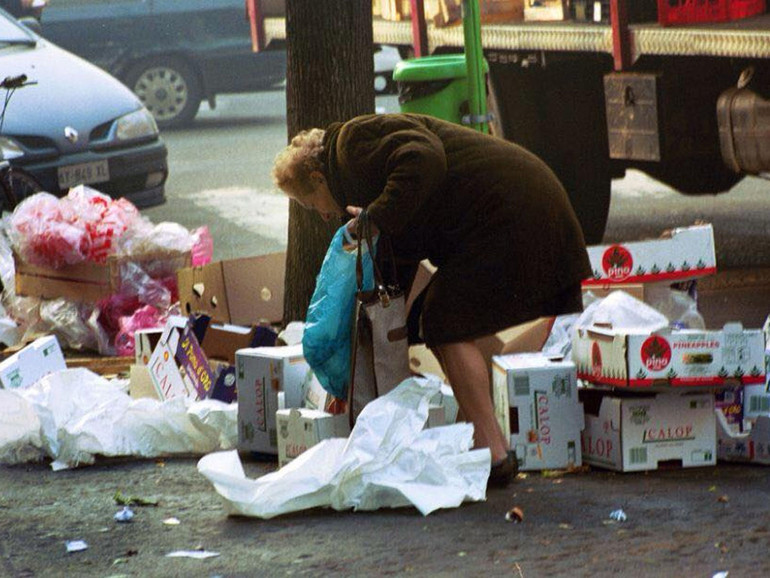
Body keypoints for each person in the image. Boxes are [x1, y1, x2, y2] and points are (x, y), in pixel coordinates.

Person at [272, 113, 592, 486]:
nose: (324, 215)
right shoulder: (353, 170)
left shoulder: (350, 149)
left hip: (515, 209)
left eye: (312, 205)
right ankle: (480, 436)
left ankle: (493, 452)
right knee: (435, 317)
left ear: (317, 178)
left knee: (446, 319)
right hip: (510, 209)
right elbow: (405, 245)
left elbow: (424, 157)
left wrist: (376, 218)